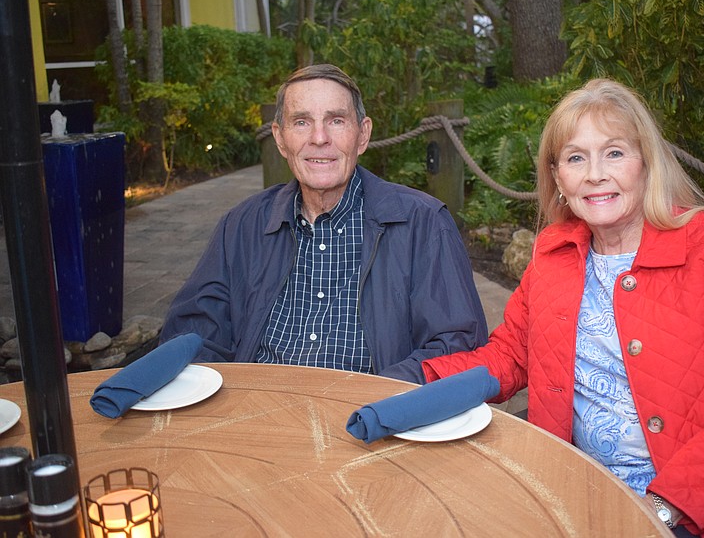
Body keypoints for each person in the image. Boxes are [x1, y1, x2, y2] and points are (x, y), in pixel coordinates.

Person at [422, 79, 704, 537]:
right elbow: (511, 354)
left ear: (646, 163)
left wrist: (661, 508)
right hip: (583, 490)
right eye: (576, 157)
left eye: (614, 153)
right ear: (557, 178)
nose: (595, 174)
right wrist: (419, 383)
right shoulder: (556, 252)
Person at [160, 64, 488, 384]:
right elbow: (194, 332)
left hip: (370, 420)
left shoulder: (424, 223)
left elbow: (457, 345)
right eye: (301, 122)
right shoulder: (242, 225)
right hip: (260, 412)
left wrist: (371, 399)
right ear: (280, 138)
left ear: (362, 135)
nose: (319, 138)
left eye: (336, 120)